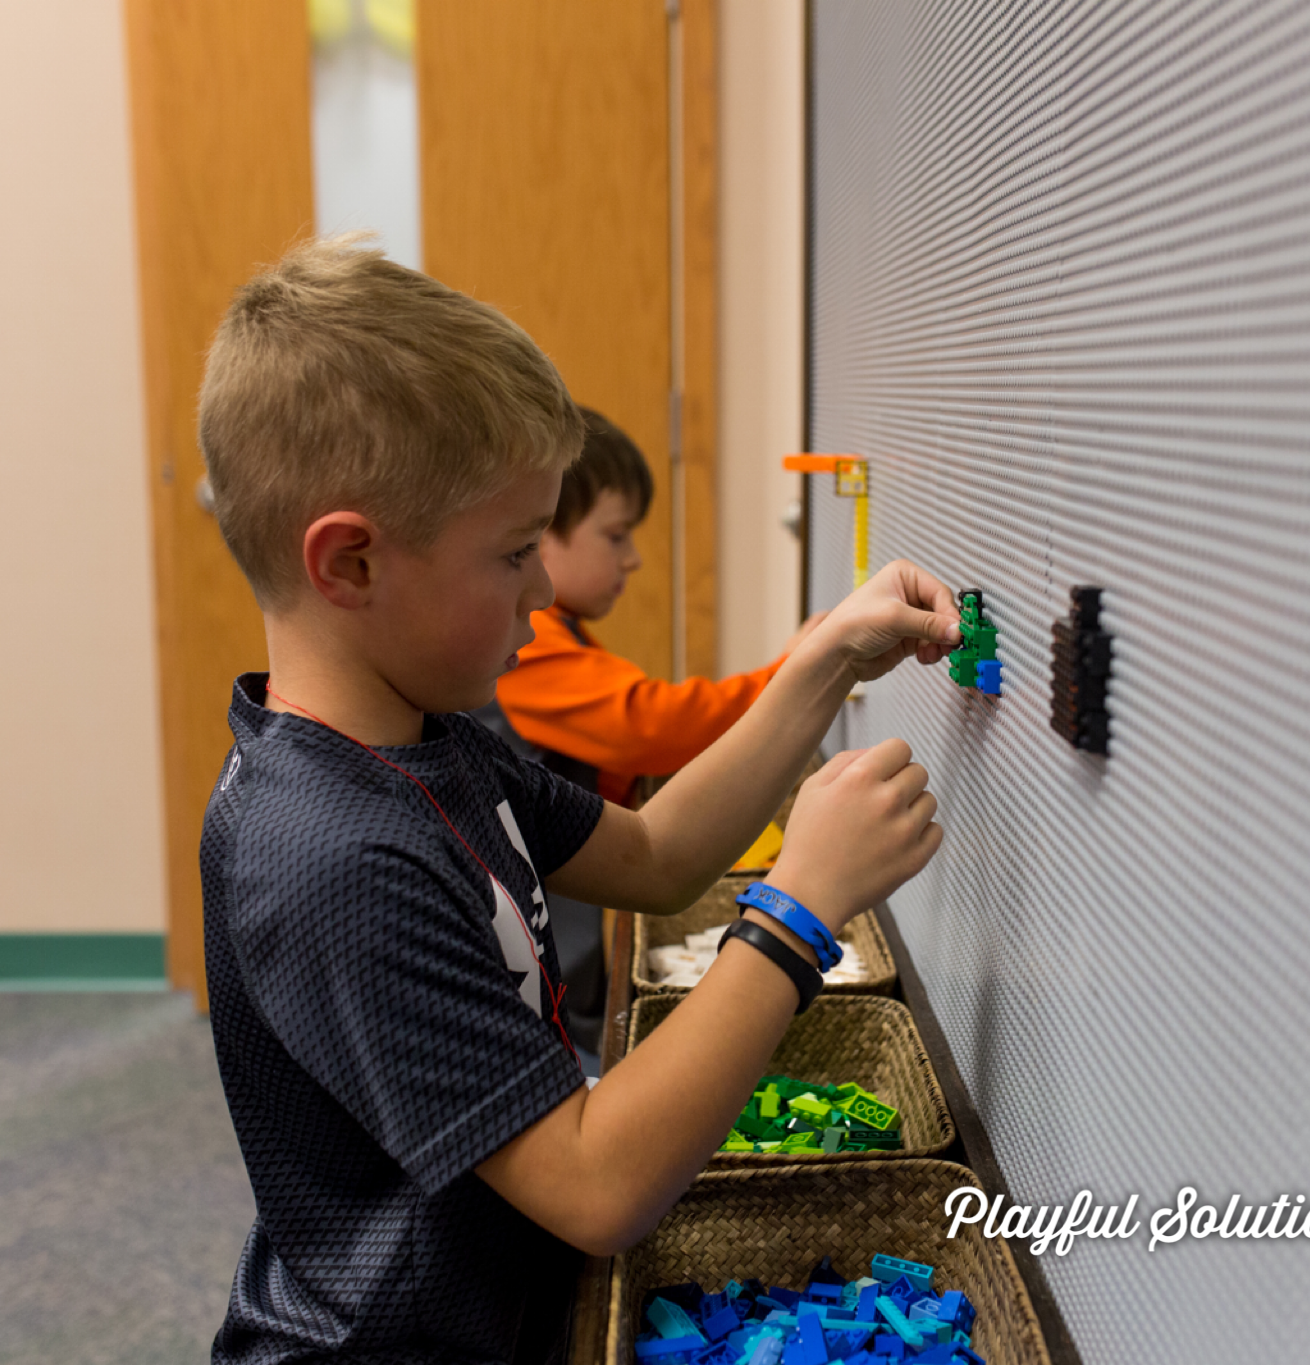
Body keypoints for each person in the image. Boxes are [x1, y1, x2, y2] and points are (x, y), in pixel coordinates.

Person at [194, 234, 959, 1365]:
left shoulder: (430, 743)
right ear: (348, 564)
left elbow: (652, 856)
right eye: (512, 554)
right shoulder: (326, 858)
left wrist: (823, 661)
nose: (545, 589)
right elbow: (597, 1184)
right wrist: (799, 907)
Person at [476, 406, 822, 1056]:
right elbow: (647, 722)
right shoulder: (526, 647)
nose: (633, 559)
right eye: (616, 536)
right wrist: (793, 675)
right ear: (542, 534)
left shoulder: (554, 634)